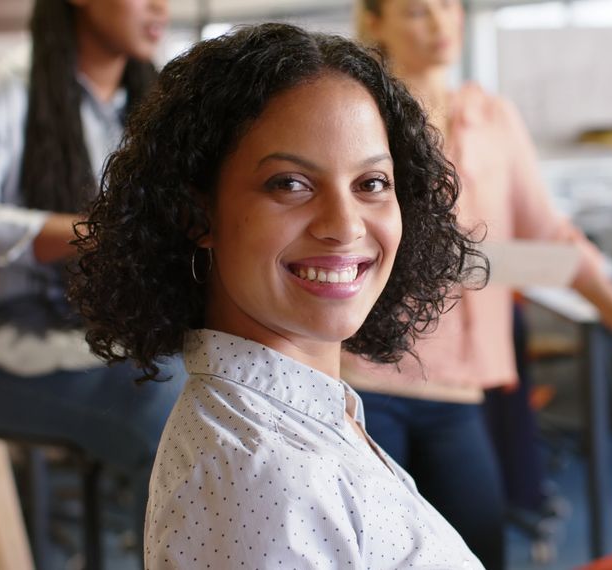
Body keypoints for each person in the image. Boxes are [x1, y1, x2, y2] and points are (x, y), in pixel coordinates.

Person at [68, 23, 492, 568]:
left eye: (371, 184)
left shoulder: (299, 417)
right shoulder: (265, 476)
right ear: (197, 214)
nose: (344, 225)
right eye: (290, 183)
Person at [351, 1, 612, 566]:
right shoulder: (362, 112)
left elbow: (550, 237)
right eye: (416, 11)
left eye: (449, 6)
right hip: (366, 372)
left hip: (458, 386)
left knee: (478, 547)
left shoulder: (494, 117)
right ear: (376, 22)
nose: (440, 24)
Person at [0, 0, 183, 543]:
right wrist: (88, 234)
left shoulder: (150, 107)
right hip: (0, 352)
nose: (160, 6)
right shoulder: (3, 90)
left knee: (227, 382)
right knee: (172, 409)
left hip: (110, 340)